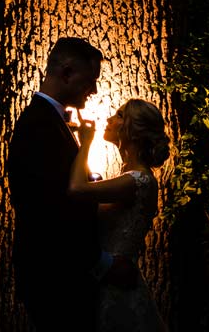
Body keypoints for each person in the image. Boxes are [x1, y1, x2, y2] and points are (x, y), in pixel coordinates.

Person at [7, 37, 138, 332]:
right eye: (90, 80)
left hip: (60, 272)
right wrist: (102, 264)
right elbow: (49, 211)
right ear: (66, 73)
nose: (93, 90)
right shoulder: (39, 125)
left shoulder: (50, 121)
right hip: (55, 275)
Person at [69, 98, 171, 332]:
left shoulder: (138, 181)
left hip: (116, 284)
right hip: (107, 279)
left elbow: (76, 189)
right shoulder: (128, 178)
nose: (108, 119)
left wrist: (85, 143)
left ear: (134, 131)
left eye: (119, 115)